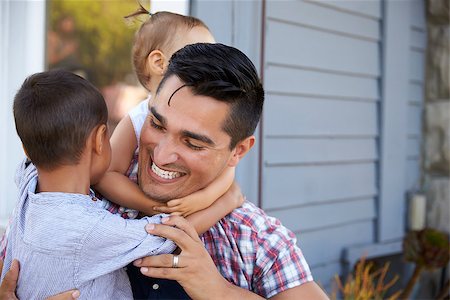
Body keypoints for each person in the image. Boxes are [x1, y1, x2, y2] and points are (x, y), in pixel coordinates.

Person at [0, 70, 242, 299]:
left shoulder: (28, 180)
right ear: (99, 140)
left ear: (26, 151)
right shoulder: (90, 229)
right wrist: (225, 201)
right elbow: (169, 233)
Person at [124, 43, 329, 299]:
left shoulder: (256, 239)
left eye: (193, 143)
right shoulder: (88, 198)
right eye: (156, 123)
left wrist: (219, 290)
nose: (161, 156)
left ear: (238, 151)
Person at [94, 9, 229, 219]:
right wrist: (151, 206)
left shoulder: (208, 115)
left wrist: (204, 199)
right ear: (159, 63)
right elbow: (107, 176)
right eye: (201, 57)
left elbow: (228, 167)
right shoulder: (137, 119)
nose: (211, 67)